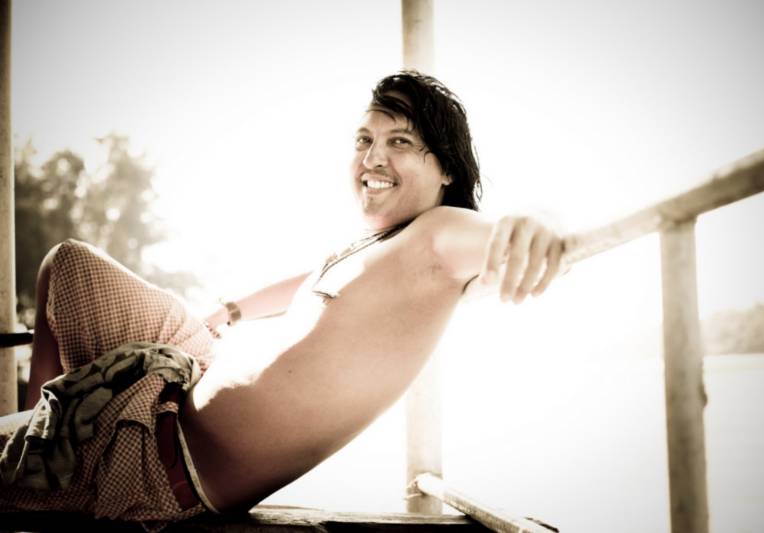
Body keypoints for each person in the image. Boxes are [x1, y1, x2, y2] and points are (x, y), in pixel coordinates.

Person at [0, 71, 565, 529]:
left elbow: (506, 232)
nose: (372, 157)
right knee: (68, 266)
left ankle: (41, 453)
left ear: (444, 169)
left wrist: (539, 220)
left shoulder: (437, 236)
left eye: (399, 141)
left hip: (166, 453)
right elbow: (311, 281)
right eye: (364, 140)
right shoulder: (378, 247)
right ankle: (44, 427)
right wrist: (232, 310)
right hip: (186, 367)